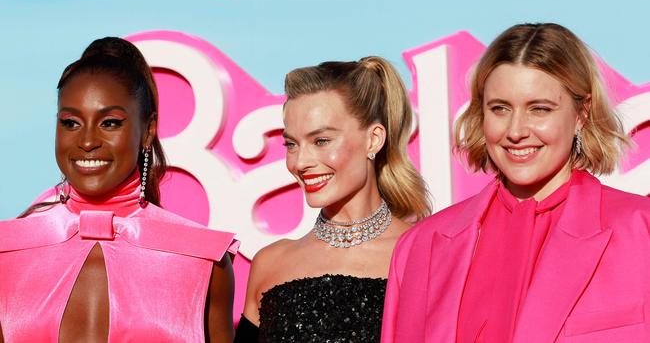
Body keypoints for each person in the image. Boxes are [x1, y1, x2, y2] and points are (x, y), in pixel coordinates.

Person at [381, 22, 650, 343]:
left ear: (582, 113)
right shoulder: (420, 248)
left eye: (539, 109)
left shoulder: (640, 229)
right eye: (500, 109)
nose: (516, 130)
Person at [0, 37, 239, 343]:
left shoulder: (205, 262)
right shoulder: (7, 253)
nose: (87, 141)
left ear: (148, 130)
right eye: (71, 123)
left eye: (110, 123)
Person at [234, 57, 431, 342]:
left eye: (321, 141)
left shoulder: (425, 253)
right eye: (291, 144)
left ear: (373, 139)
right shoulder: (270, 264)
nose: (301, 162)